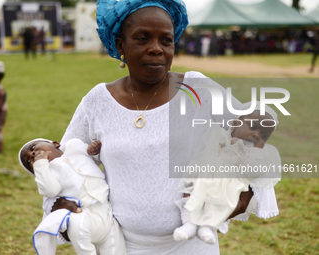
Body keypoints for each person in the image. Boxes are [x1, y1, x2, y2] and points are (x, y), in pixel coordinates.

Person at [41, 1, 278, 254]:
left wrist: (246, 191)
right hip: (119, 244)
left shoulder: (197, 89)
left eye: (166, 40)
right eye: (142, 38)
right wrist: (60, 204)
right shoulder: (98, 100)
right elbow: (64, 161)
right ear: (121, 45)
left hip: (192, 243)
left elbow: (256, 130)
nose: (156, 49)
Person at [173, 103, 281, 244]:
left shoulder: (258, 154)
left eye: (264, 135)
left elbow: (254, 171)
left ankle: (207, 227)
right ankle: (188, 224)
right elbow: (204, 149)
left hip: (229, 185)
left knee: (223, 203)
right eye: (253, 128)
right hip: (206, 176)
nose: (256, 135)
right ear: (235, 124)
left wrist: (240, 149)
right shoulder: (218, 134)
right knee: (192, 194)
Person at [18, 138, 126, 255]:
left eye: (33, 148)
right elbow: (51, 190)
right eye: (29, 161)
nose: (32, 155)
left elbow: (94, 159)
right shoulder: (49, 174)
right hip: (85, 214)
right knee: (76, 225)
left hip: (106, 212)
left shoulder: (74, 146)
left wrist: (93, 151)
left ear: (55, 144)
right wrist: (41, 165)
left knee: (115, 249)